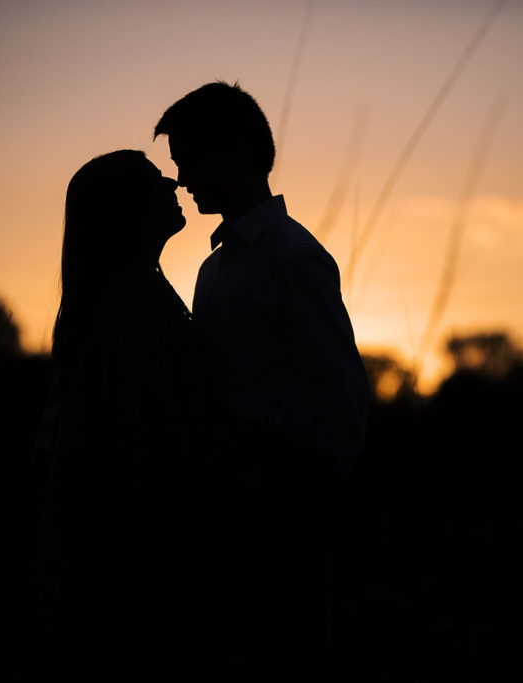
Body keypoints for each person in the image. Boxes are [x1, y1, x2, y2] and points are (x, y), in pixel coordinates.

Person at [154, 81, 371, 679]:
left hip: (281, 526)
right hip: (225, 522)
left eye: (192, 160)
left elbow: (338, 402)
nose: (182, 178)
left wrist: (290, 501)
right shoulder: (213, 267)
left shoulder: (293, 259)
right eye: (178, 165)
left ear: (240, 154)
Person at [31, 150, 201, 676]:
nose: (173, 184)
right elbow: (150, 449)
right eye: (155, 182)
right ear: (127, 211)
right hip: (136, 577)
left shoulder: (120, 297)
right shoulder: (134, 303)